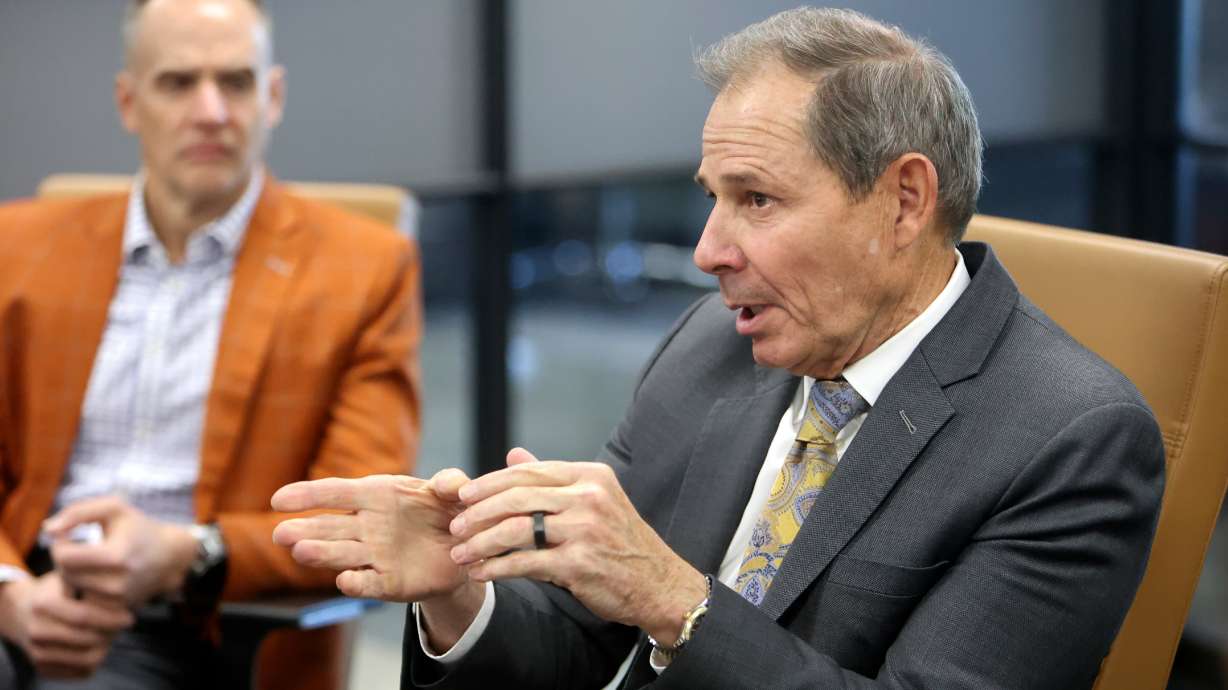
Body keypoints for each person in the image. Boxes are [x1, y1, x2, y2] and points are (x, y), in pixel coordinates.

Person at [272, 7, 1163, 689]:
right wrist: (458, 595)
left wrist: (675, 601)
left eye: (757, 201)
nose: (707, 250)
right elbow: (581, 639)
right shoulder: (715, 343)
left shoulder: (1072, 439)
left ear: (903, 202)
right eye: (711, 197)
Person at [0, 0, 421, 688]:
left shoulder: (365, 269)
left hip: (198, 622)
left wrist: (183, 554)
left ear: (273, 96)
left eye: (235, 82)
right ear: (129, 102)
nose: (212, 112)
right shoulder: (20, 245)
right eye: (177, 83)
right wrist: (10, 594)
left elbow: (355, 513)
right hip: (24, 589)